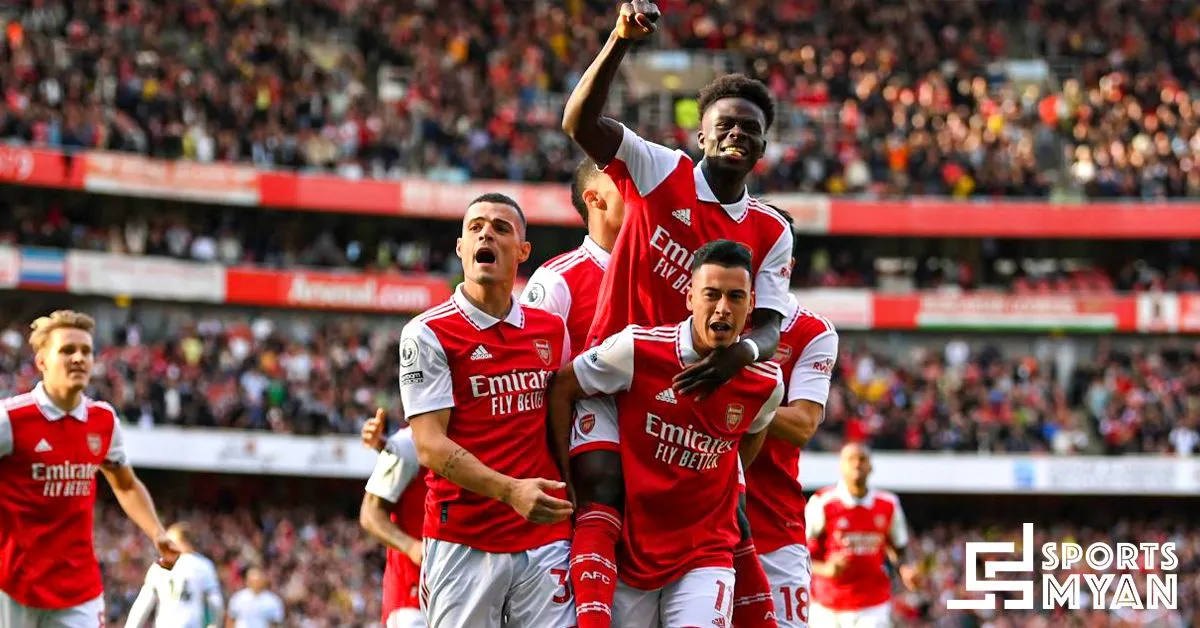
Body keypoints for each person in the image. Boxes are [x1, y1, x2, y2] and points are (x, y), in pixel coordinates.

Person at [561, 1, 795, 625]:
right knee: (603, 486)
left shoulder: (771, 230)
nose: (738, 134)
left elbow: (771, 326)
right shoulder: (659, 169)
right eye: (726, 125)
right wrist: (618, 40)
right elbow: (579, 122)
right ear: (701, 135)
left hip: (694, 386)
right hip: (619, 369)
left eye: (750, 128)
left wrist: (739, 355)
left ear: (764, 145)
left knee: (725, 514)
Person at [547, 240, 784, 627]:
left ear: (751, 304)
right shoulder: (638, 349)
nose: (723, 308)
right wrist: (563, 476)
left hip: (706, 551)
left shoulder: (766, 381)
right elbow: (563, 385)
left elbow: (755, 430)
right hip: (633, 549)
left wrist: (724, 478)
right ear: (690, 297)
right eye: (711, 294)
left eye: (735, 297)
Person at [399, 193, 575, 627]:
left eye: (500, 228)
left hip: (545, 535)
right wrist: (511, 492)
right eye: (475, 227)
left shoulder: (551, 329)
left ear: (523, 250)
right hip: (464, 539)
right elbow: (430, 445)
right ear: (461, 248)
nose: (486, 235)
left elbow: (562, 419)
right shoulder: (427, 333)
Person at [0, 310, 180, 628]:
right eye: (67, 350)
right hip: (12, 586)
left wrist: (157, 531)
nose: (79, 358)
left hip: (78, 589)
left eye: (86, 351)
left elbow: (125, 484)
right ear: (41, 361)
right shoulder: (11, 419)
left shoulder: (103, 420)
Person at [743, 291, 839, 628]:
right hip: (698, 520)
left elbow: (803, 425)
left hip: (772, 524)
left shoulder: (811, 331)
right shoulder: (708, 312)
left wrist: (739, 400)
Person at [805, 444, 919, 628]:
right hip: (827, 605)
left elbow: (899, 548)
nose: (857, 464)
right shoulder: (823, 502)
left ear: (871, 466)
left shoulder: (888, 504)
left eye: (862, 459)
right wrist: (825, 569)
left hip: (872, 604)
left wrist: (906, 569)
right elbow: (797, 550)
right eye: (851, 459)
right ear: (841, 466)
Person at [520, 158, 624, 352]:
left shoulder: (661, 272)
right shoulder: (556, 280)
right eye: (624, 184)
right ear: (594, 199)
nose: (640, 194)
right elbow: (526, 362)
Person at [358, 409, 428, 628]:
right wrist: (412, 547)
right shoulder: (406, 444)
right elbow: (370, 514)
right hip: (412, 598)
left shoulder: (478, 438)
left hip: (463, 592)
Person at [125, 523, 224, 628]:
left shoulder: (158, 566)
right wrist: (215, 624)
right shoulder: (204, 565)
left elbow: (142, 604)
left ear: (183, 542)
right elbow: (216, 602)